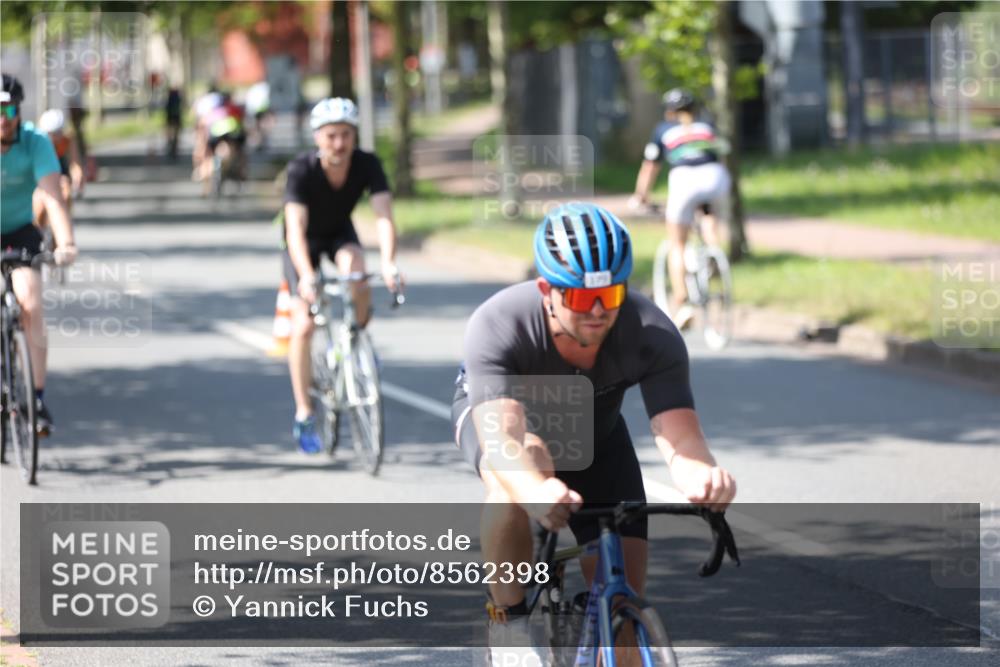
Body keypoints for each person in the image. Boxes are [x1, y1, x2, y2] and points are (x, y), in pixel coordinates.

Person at [451, 202, 736, 665]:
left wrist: (703, 476)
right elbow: (503, 438)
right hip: (507, 427)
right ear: (547, 290)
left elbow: (682, 439)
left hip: (597, 436)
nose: (599, 312)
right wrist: (536, 489)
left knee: (621, 607)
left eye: (612, 295)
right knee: (522, 469)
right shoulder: (500, 323)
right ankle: (511, 624)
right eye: (583, 299)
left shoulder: (651, 333)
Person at [282, 97, 404, 453]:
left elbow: (383, 215)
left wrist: (390, 262)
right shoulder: (301, 169)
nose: (339, 143)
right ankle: (305, 411)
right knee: (303, 324)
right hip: (302, 244)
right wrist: (306, 275)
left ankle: (356, 338)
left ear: (355, 136)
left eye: (346, 135)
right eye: (331, 135)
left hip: (339, 234)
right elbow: (295, 229)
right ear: (318, 137)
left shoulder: (367, 164)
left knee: (358, 273)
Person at [1, 74, 78, 436]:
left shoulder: (35, 143)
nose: (2, 117)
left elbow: (52, 196)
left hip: (19, 231)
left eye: (9, 109)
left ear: (19, 111)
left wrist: (65, 243)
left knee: (30, 300)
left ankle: (37, 399)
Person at [629, 89, 731, 329]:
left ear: (669, 111)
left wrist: (640, 196)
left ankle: (683, 302)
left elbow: (650, 167)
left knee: (677, 244)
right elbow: (721, 154)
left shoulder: (664, 130)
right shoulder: (707, 127)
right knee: (707, 213)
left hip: (684, 180)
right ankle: (714, 253)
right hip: (715, 177)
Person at [33, 109, 84, 231]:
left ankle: (64, 224)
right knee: (39, 208)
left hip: (61, 175)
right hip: (41, 177)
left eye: (57, 133)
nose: (54, 138)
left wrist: (78, 178)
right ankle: (36, 232)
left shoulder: (67, 141)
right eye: (50, 134)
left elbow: (75, 164)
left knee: (65, 191)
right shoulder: (37, 142)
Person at [244, 80, 272, 152]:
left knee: (259, 128)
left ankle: (259, 143)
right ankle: (259, 143)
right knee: (260, 128)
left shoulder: (255, 88)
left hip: (257, 110)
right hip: (260, 110)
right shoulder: (264, 87)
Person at [164, 86, 183, 160]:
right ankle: (174, 150)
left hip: (170, 119)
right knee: (175, 136)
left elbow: (166, 110)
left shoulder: (169, 99)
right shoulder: (178, 99)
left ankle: (171, 148)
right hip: (176, 119)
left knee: (171, 135)